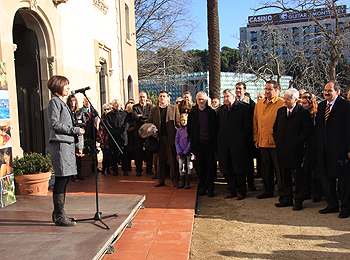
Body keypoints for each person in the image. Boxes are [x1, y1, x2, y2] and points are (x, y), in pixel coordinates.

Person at [47, 75, 84, 226]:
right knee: (61, 179)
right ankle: (59, 215)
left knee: (66, 178)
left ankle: (59, 214)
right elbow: (55, 124)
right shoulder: (53, 103)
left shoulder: (61, 103)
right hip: (61, 145)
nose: (69, 88)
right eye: (66, 85)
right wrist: (74, 130)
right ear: (58, 86)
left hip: (67, 145)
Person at [273, 88, 313, 210]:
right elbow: (275, 128)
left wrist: (298, 141)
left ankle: (298, 200)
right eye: (284, 98)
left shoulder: (303, 112)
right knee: (284, 176)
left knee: (298, 177)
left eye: (288, 99)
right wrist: (278, 140)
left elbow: (308, 130)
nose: (285, 101)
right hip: (282, 150)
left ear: (295, 99)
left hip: (296, 151)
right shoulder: (280, 111)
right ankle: (287, 198)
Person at [316, 81, 350, 218]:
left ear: (337, 91)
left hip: (340, 150)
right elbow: (319, 128)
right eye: (325, 90)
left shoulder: (346, 106)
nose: (326, 92)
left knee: (343, 180)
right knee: (325, 178)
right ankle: (332, 204)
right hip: (324, 149)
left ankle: (346, 207)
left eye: (329, 90)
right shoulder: (322, 105)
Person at [217, 89, 251, 200]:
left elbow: (247, 126)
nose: (226, 99)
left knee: (239, 168)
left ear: (233, 96)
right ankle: (231, 190)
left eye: (227, 96)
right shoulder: (222, 110)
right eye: (224, 97)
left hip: (238, 144)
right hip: (224, 144)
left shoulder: (243, 108)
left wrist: (241, 137)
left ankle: (241, 191)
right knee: (227, 167)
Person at [253, 80, 284, 200]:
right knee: (266, 169)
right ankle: (268, 190)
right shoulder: (260, 104)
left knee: (279, 169)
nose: (267, 91)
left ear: (276, 91)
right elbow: (255, 122)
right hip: (263, 141)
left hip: (276, 143)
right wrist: (256, 138)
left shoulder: (281, 103)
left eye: (270, 89)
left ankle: (282, 191)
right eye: (266, 89)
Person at [147, 91, 180, 187]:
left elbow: (177, 123)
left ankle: (175, 179)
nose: (162, 98)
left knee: (173, 159)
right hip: (159, 138)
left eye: (164, 96)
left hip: (171, 137)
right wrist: (151, 132)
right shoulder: (154, 110)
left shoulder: (174, 108)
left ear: (168, 98)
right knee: (160, 160)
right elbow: (150, 122)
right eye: (160, 96)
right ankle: (161, 180)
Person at [188, 91, 217, 197]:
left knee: (210, 167)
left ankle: (210, 188)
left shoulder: (211, 112)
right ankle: (202, 187)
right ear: (196, 100)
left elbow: (215, 128)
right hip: (198, 144)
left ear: (206, 100)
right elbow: (190, 129)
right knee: (200, 168)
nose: (201, 101)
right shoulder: (193, 113)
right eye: (199, 99)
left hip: (209, 144)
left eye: (203, 99)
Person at [235, 82, 257, 191]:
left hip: (247, 138)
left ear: (244, 90)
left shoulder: (251, 104)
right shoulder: (233, 104)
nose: (238, 91)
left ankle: (251, 183)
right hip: (236, 138)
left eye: (240, 89)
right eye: (236, 89)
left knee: (249, 162)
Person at [301, 94, 321, 202]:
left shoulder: (315, 116)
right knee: (306, 171)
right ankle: (306, 192)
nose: (302, 105)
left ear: (310, 104)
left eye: (305, 103)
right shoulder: (303, 115)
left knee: (316, 172)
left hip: (315, 146)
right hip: (306, 146)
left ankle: (317, 193)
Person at [106, 99, 130, 176]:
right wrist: (114, 132)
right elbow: (107, 124)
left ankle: (125, 170)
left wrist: (120, 131)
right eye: (116, 104)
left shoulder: (125, 114)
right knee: (114, 155)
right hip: (113, 137)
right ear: (113, 105)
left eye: (119, 103)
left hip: (122, 137)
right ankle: (115, 170)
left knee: (124, 155)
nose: (117, 105)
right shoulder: (109, 115)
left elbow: (126, 124)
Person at [132, 92, 154, 176]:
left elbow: (150, 117)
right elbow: (134, 117)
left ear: (146, 97)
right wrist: (144, 119)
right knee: (138, 152)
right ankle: (138, 169)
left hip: (148, 132)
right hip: (138, 133)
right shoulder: (135, 107)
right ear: (139, 98)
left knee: (149, 151)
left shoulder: (150, 107)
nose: (142, 98)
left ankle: (149, 169)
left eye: (143, 97)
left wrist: (141, 116)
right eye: (141, 97)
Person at [67, 94, 86, 181]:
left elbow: (84, 123)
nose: (72, 103)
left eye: (74, 101)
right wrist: (76, 122)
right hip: (71, 135)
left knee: (79, 154)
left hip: (79, 135)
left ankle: (79, 173)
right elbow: (68, 124)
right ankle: (72, 174)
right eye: (71, 101)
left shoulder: (80, 111)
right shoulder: (67, 111)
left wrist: (77, 123)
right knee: (71, 155)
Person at [175, 113, 193, 189]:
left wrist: (186, 151)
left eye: (184, 120)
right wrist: (179, 151)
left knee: (189, 166)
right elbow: (176, 140)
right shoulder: (178, 130)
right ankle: (182, 181)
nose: (183, 122)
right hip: (180, 152)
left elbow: (190, 141)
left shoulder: (190, 130)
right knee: (181, 167)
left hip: (188, 152)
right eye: (181, 120)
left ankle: (188, 182)